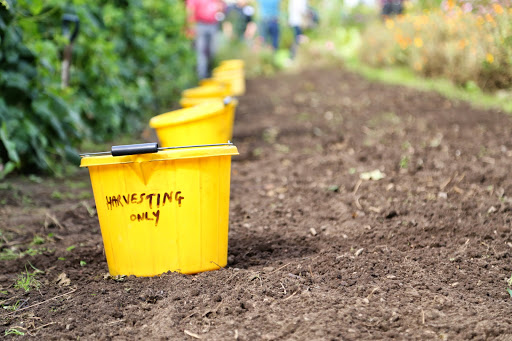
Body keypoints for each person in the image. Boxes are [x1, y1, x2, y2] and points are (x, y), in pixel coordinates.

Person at [186, 0, 226, 79]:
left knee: (213, 50)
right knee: (200, 52)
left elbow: (221, 5)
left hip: (213, 24)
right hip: (200, 25)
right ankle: (201, 77)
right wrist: (190, 27)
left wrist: (220, 8)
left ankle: (212, 73)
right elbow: (190, 10)